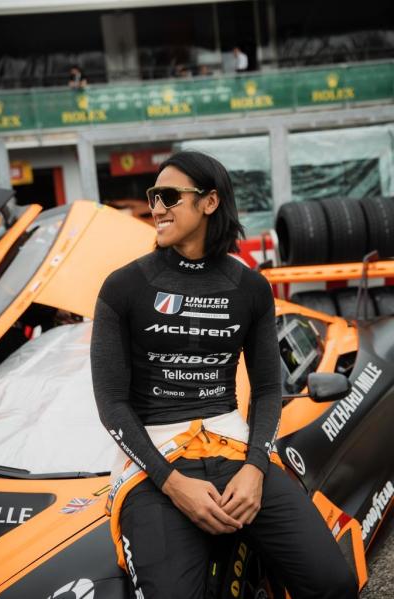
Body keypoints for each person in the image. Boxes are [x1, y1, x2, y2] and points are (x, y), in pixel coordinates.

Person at [90, 151, 359, 599]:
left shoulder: (250, 287)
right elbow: (111, 405)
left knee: (334, 584)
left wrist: (255, 468)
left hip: (236, 452)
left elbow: (268, 390)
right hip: (153, 466)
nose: (156, 208)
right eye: (153, 196)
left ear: (210, 202)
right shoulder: (123, 287)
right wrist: (173, 484)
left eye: (169, 196)